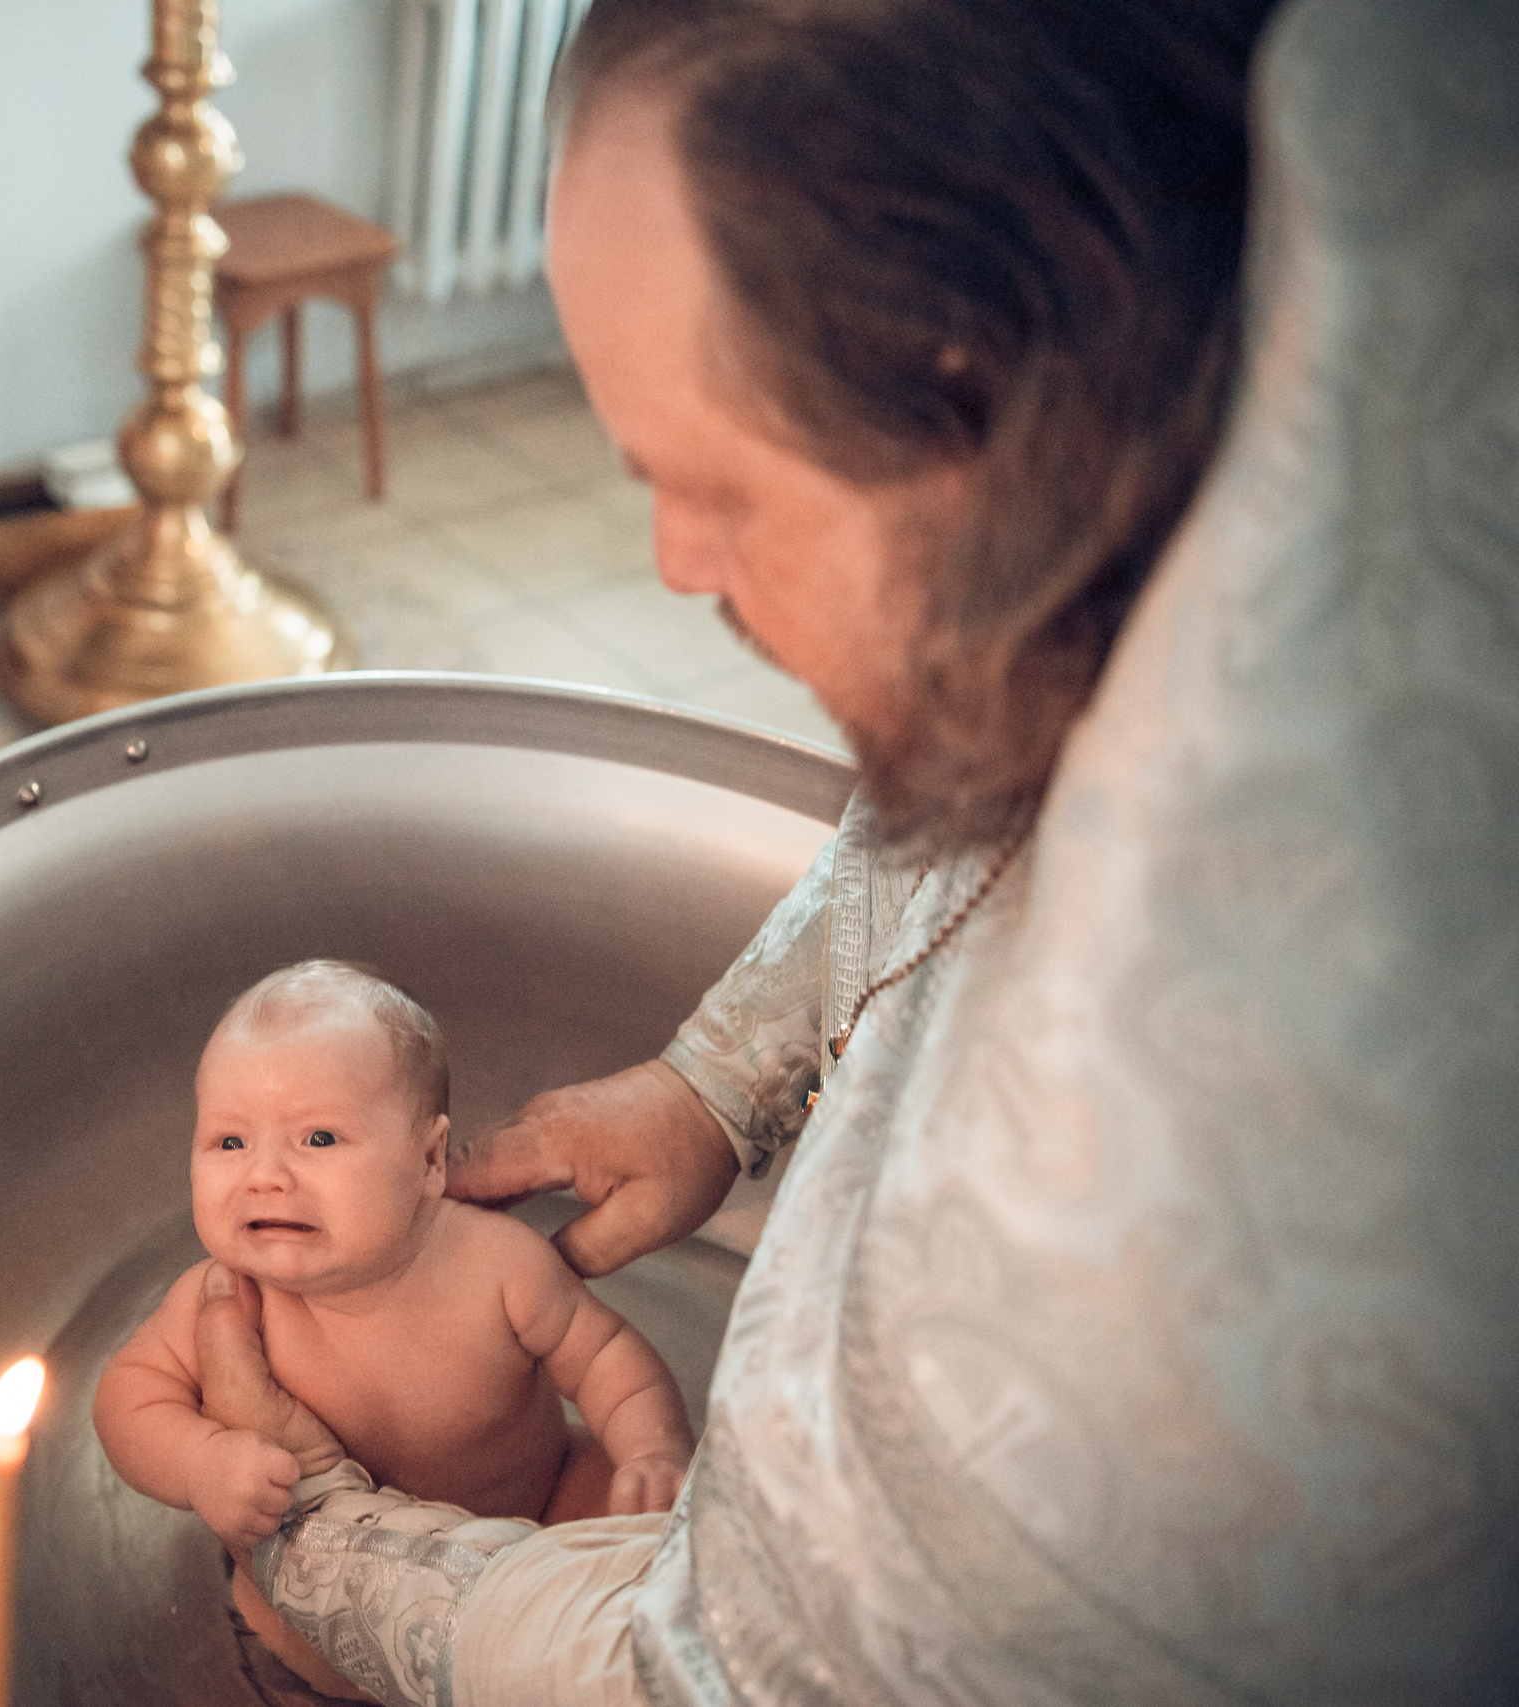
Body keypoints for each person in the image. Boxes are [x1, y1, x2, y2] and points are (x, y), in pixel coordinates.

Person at [181, 0, 1519, 1703]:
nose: (676, 563)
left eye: (721, 491)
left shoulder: (1168, 1236)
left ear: (1003, 416)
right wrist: (717, 1079)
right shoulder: (1279, 428)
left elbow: (714, 1681)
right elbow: (1011, 742)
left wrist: (314, 1533)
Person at [92, 960, 693, 1702]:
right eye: (228, 1142)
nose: (264, 1175)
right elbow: (127, 1399)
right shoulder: (228, 1300)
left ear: (430, 1159)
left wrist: (651, 1448)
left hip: (539, 1511)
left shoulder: (495, 1265)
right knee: (295, 1634)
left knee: (642, 1529)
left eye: (317, 1138)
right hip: (316, 1621)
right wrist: (201, 1463)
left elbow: (606, 1357)